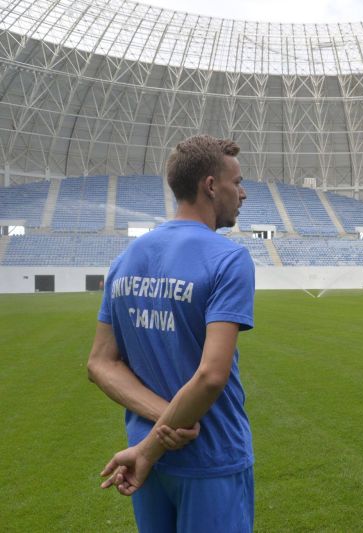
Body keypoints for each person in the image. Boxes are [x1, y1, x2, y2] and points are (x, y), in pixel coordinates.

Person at [87, 134, 255, 532]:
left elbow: (100, 362)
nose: (243, 193)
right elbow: (211, 376)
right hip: (210, 457)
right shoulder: (228, 258)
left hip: (149, 461)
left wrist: (151, 441)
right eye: (237, 182)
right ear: (211, 186)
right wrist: (162, 435)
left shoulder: (125, 260)